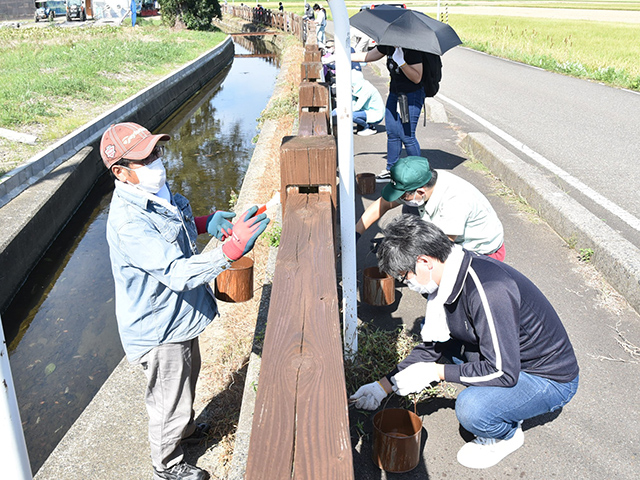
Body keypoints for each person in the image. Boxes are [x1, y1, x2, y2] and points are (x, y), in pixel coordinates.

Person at [100, 122, 269, 480]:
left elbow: (174, 228)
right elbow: (177, 272)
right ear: (121, 172)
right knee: (167, 399)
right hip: (158, 326)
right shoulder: (128, 221)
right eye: (145, 158)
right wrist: (230, 249)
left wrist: (206, 223)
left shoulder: (154, 192)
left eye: (156, 152)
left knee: (187, 376)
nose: (157, 161)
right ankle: (168, 464)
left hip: (179, 314)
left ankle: (186, 431)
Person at [351, 215, 579, 469]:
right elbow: (435, 346)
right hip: (504, 356)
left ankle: (506, 436)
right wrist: (383, 386)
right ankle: (504, 404)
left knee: (472, 409)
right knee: (446, 352)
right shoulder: (448, 274)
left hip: (546, 377)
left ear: (423, 261)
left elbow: (502, 372)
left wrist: (437, 372)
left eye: (405, 277)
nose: (408, 284)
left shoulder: (489, 292)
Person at [356, 156, 506, 260]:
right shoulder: (425, 180)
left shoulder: (454, 202)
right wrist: (355, 233)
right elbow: (383, 204)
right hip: (448, 234)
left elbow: (441, 246)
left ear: (420, 191)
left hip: (480, 251)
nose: (399, 199)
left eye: (402, 196)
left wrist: (399, 250)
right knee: (410, 211)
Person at [351, 45, 425, 181]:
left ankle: (419, 174)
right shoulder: (389, 44)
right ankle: (391, 170)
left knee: (407, 135)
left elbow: (417, 77)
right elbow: (369, 55)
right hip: (395, 93)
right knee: (392, 132)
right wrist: (342, 56)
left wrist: (401, 62)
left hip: (411, 95)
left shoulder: (412, 48)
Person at [331, 69, 384, 136]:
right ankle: (364, 125)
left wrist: (341, 111)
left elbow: (357, 107)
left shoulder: (367, 89)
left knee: (351, 115)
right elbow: (352, 102)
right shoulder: (358, 87)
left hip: (375, 113)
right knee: (350, 113)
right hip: (366, 110)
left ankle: (369, 127)